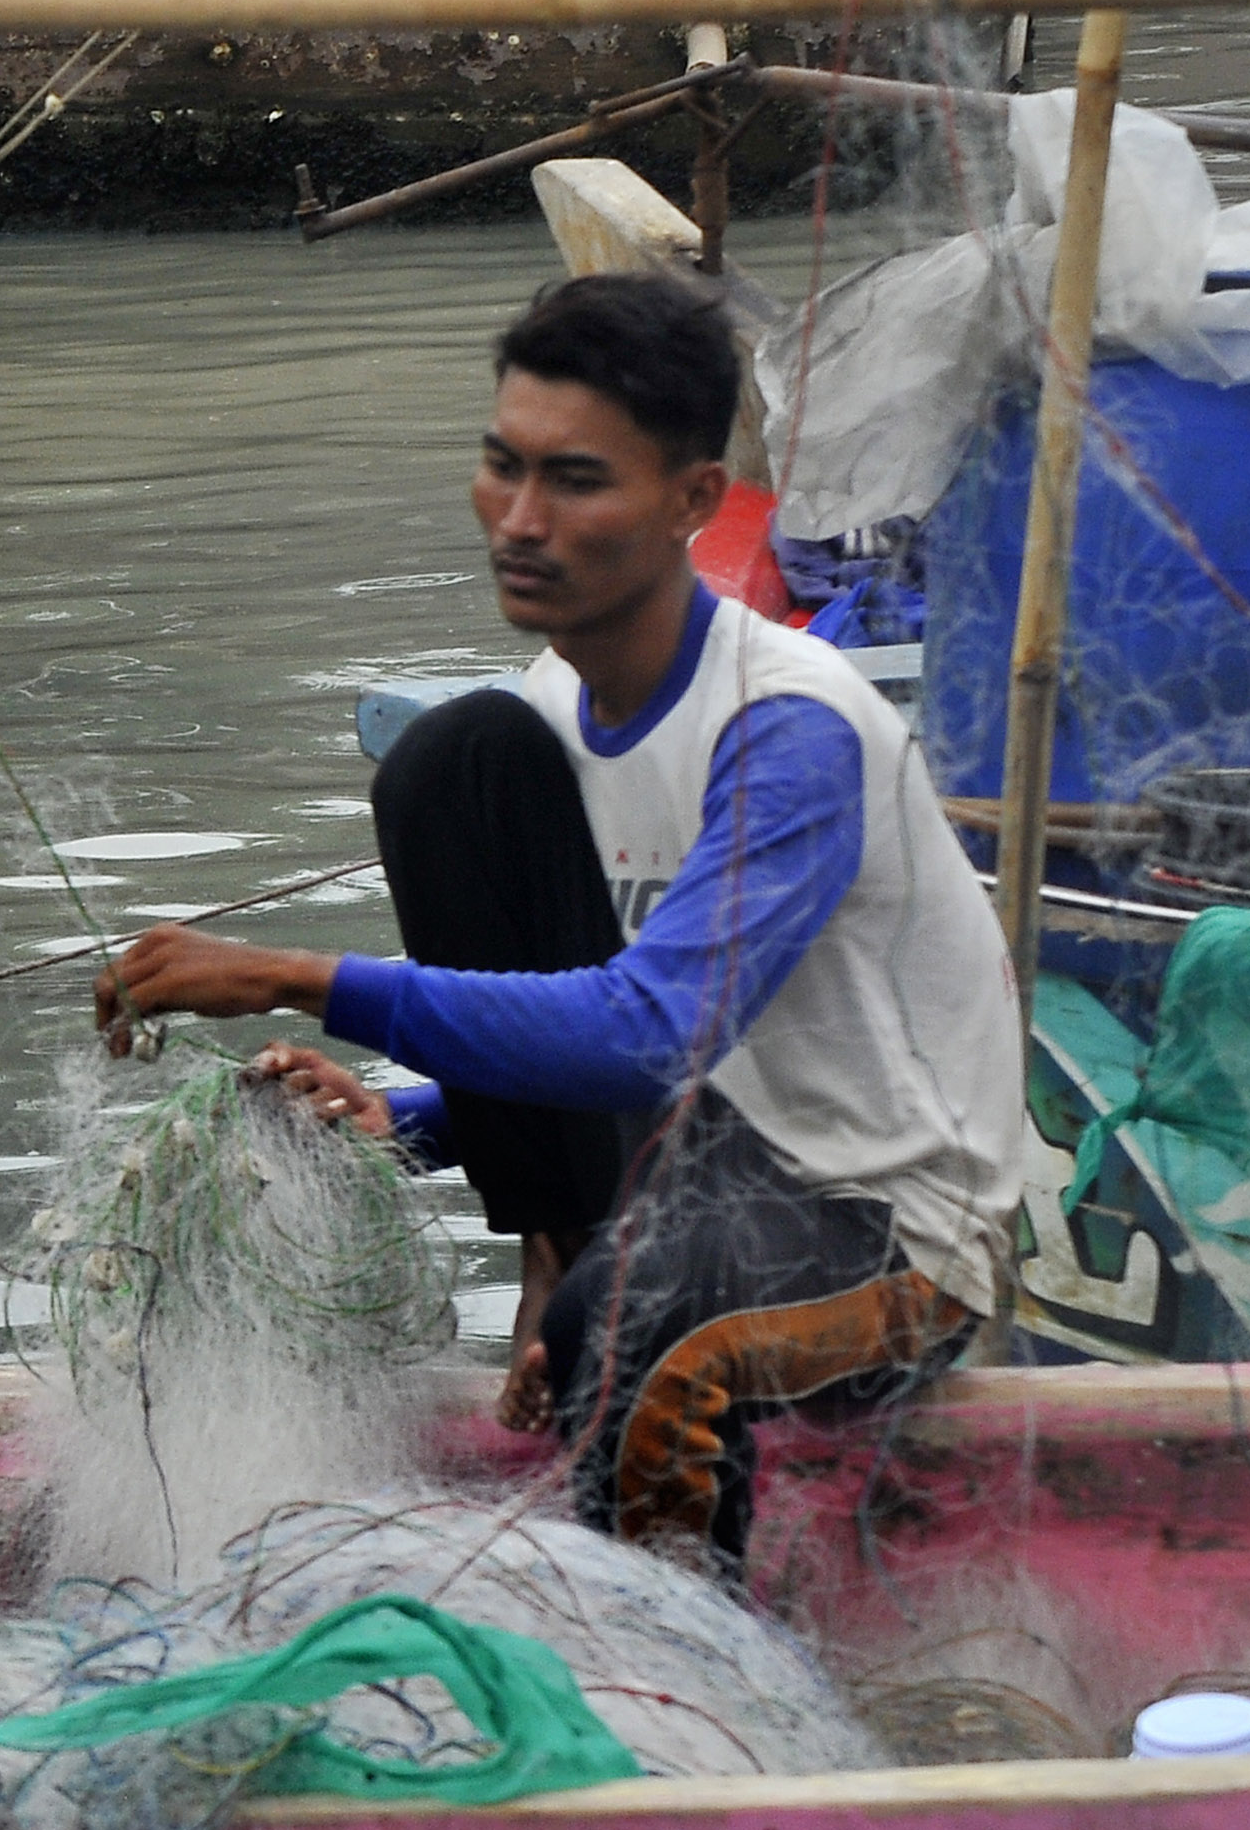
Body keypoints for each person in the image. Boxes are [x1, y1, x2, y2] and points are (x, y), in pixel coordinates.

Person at [91, 270, 1026, 1571]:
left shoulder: (786, 729)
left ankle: (688, 1681)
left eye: (576, 482)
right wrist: (408, 1121)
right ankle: (563, 1243)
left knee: (638, 1335)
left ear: (695, 501)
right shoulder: (551, 698)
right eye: (502, 467)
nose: (521, 521)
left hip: (891, 1221)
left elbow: (645, 1032)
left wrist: (292, 975)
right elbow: (626, 1037)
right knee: (452, 761)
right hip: (708, 1156)